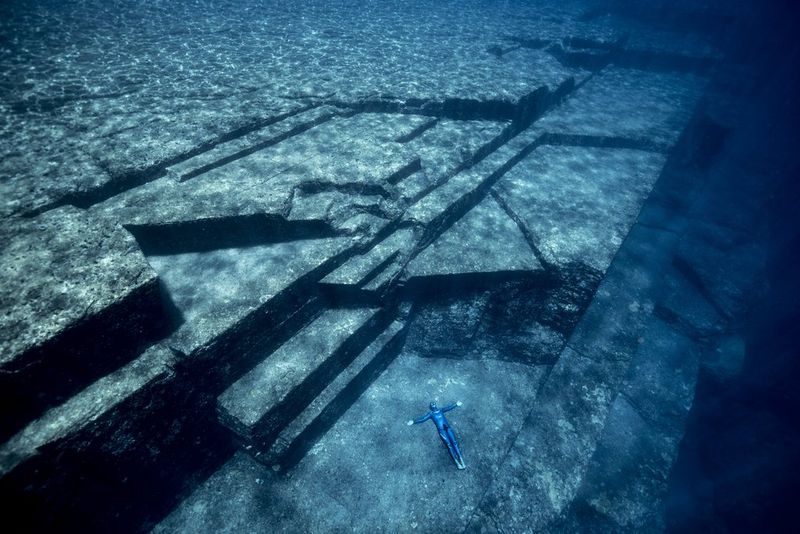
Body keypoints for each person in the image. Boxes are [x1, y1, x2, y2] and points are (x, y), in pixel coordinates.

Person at [407, 401, 466, 469]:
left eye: (434, 404)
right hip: (442, 431)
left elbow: (448, 408)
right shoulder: (431, 414)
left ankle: (461, 460)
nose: (433, 405)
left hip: (448, 428)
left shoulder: (440, 410)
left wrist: (456, 404)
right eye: (432, 405)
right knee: (449, 445)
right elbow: (423, 418)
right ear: (431, 407)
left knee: (454, 443)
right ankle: (457, 463)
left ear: (436, 405)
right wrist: (414, 421)